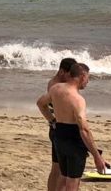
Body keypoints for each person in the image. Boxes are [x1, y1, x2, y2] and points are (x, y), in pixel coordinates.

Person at [37, 63, 106, 191]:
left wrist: (52, 121)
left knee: (63, 177)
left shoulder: (56, 88)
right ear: (82, 76)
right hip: (73, 141)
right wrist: (97, 156)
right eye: (88, 78)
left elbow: (41, 104)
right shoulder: (78, 100)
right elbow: (84, 130)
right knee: (72, 182)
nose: (88, 82)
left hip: (59, 137)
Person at [37, 58, 78, 191]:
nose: (71, 77)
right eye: (69, 74)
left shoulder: (58, 84)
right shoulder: (55, 85)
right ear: (61, 71)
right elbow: (43, 104)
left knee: (57, 167)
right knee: (60, 169)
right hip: (59, 130)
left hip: (57, 129)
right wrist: (52, 121)